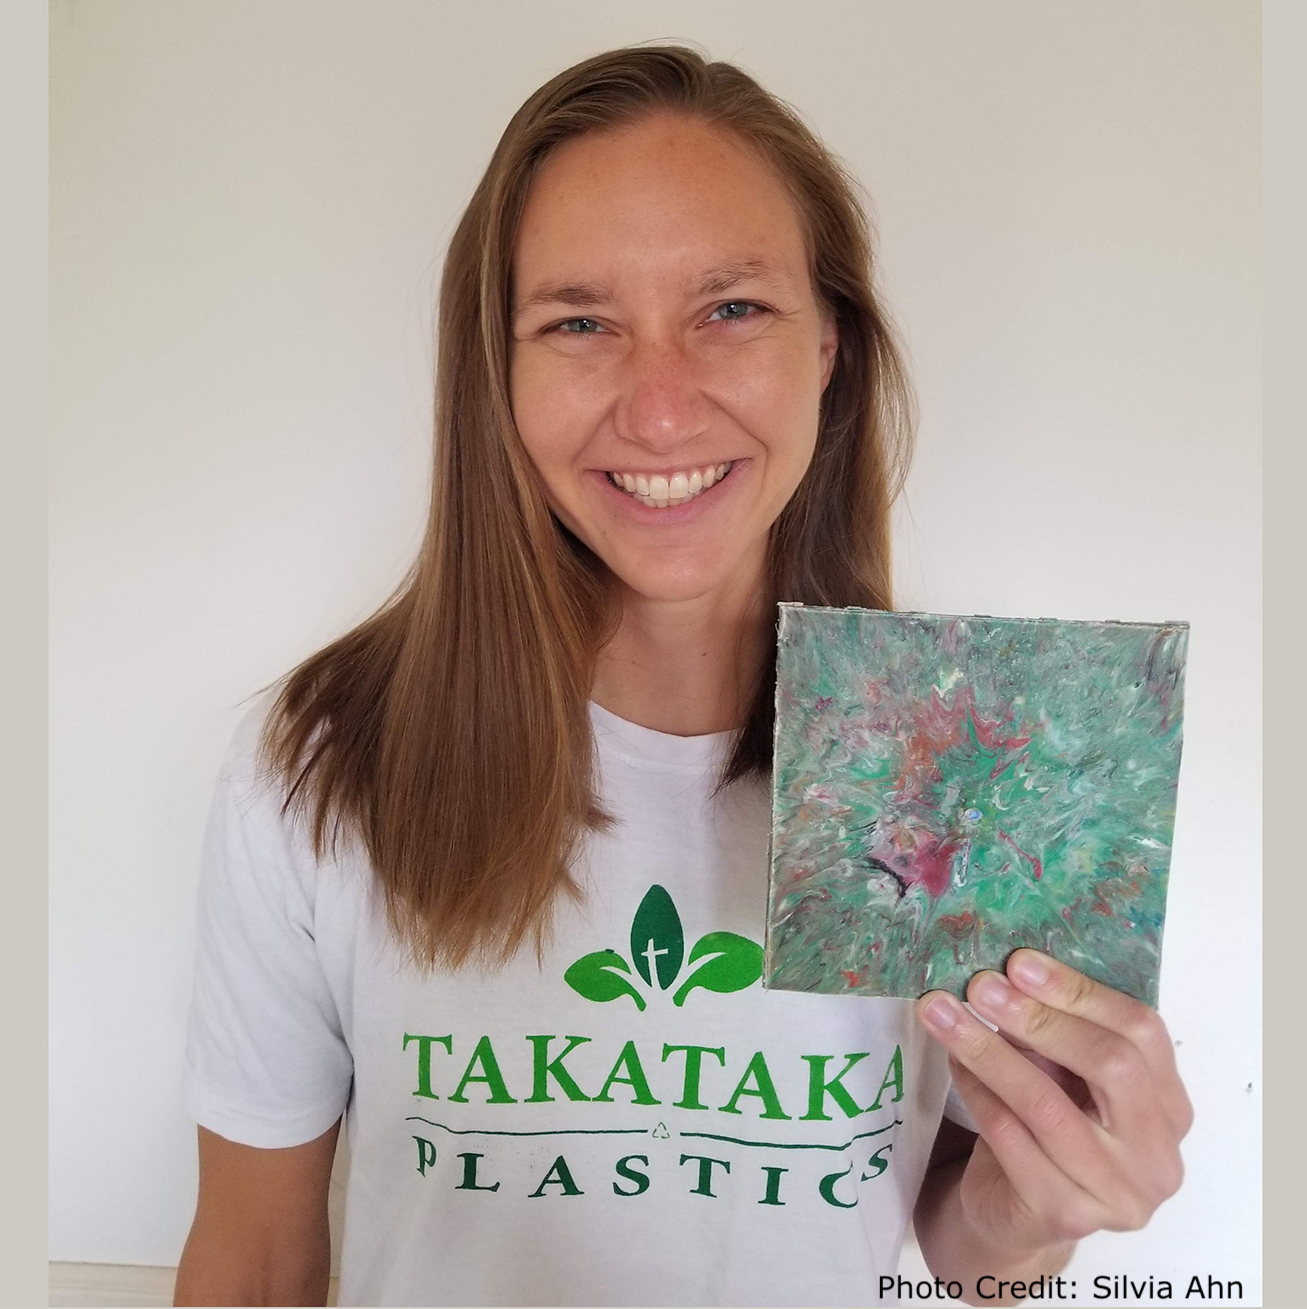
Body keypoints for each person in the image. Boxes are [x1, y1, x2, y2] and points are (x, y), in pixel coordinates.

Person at [173, 43, 1192, 1308]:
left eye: (729, 309)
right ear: (497, 374)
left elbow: (955, 1255)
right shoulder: (321, 761)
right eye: (579, 323)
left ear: (826, 344)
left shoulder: (971, 763)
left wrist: (1033, 1211)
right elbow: (257, 1258)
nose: (659, 411)